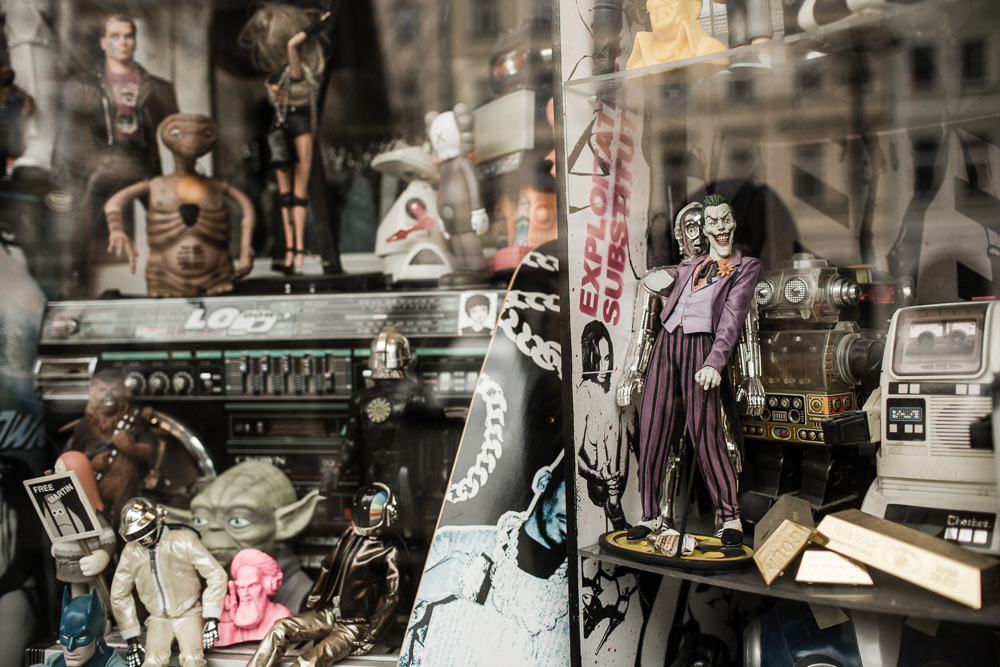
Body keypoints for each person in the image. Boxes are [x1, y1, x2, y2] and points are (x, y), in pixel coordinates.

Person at [617, 194, 762, 546]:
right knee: (652, 428)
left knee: (707, 432)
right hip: (667, 343)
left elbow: (734, 319)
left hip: (701, 346)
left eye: (724, 220)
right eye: (710, 223)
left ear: (733, 223)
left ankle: (729, 516)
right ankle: (650, 515)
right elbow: (654, 305)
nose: (717, 228)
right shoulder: (684, 269)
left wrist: (717, 362)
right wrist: (635, 368)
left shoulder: (745, 267)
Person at [399, 457, 569, 667]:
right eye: (572, 493)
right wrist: (422, 592)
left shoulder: (583, 594)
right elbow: (397, 648)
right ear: (544, 481)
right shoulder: (453, 545)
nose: (576, 512)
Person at [52, 14, 178, 291]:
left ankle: (175, 276)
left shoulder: (157, 87)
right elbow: (70, 133)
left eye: (128, 36)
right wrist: (65, 173)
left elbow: (175, 131)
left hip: (143, 163)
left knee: (169, 220)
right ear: (102, 42)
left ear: (135, 40)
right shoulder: (82, 85)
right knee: (79, 223)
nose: (122, 42)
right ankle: (76, 282)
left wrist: (186, 169)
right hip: (101, 163)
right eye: (115, 36)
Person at [247, 483, 403, 667]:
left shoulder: (389, 550)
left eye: (374, 512)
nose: (367, 516)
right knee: (280, 628)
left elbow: (391, 597)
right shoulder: (350, 535)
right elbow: (328, 566)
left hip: (355, 625)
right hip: (329, 612)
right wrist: (313, 599)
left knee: (309, 661)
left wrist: (372, 635)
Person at [323, 325, 446, 542]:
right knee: (371, 532)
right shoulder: (361, 400)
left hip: (406, 470)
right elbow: (351, 442)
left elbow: (441, 436)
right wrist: (336, 470)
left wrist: (444, 470)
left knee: (410, 532)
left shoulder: (417, 398)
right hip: (373, 471)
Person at [163, 461, 320, 613]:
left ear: (287, 523)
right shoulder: (196, 594)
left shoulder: (305, 601)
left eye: (238, 521)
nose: (215, 528)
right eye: (200, 520)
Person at [240, 3, 327, 275]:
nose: (268, 41)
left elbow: (293, 51)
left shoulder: (295, 70)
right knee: (285, 196)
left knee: (299, 195)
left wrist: (308, 32)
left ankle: (298, 249)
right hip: (280, 132)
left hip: (298, 129)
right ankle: (289, 250)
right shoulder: (277, 75)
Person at [110, 497, 227, 667]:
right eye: (136, 534)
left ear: (158, 519)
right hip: (158, 617)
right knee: (152, 661)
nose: (144, 538)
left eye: (146, 529)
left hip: (189, 612)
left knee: (192, 659)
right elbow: (119, 594)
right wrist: (131, 637)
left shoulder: (184, 540)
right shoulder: (132, 552)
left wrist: (211, 615)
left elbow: (216, 574)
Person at [67, 369, 157, 531]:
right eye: (102, 390)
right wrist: (91, 466)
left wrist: (130, 448)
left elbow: (151, 454)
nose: (108, 395)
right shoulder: (83, 427)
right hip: (94, 486)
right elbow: (72, 462)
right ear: (92, 394)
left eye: (114, 390)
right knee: (97, 525)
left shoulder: (134, 420)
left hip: (126, 485)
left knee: (125, 521)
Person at [576, 320, 628, 531]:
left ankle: (615, 506)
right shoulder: (585, 392)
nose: (604, 367)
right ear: (589, 358)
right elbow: (576, 455)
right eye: (598, 359)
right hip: (598, 483)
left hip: (617, 482)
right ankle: (614, 508)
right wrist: (596, 475)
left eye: (607, 358)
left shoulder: (612, 385)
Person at [32, 588, 126, 667]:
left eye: (81, 637)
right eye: (65, 636)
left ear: (98, 636)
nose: (70, 647)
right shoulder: (54, 661)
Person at [217, 549, 291, 646]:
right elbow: (223, 652)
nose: (244, 593)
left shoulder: (281, 617)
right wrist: (227, 622)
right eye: (240, 587)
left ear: (268, 586)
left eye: (252, 586)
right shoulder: (235, 616)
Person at [625, 0, 725, 70]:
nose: (659, 4)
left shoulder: (707, 49)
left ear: (694, 10)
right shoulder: (638, 63)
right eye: (653, 1)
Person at [0, 64, 35, 171]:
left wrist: (22, 113)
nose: (3, 76)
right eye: (2, 74)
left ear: (12, 77)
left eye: (6, 74)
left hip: (10, 127)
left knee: (9, 151)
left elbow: (28, 107)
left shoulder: (18, 93)